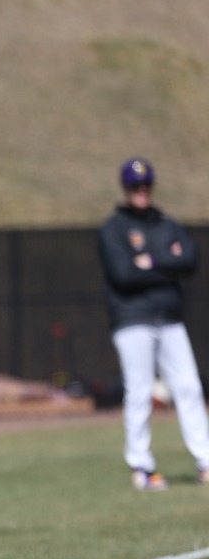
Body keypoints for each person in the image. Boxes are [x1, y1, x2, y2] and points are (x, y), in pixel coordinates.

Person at [99, 158, 209, 490]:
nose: (141, 191)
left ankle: (205, 460)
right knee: (140, 392)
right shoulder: (114, 228)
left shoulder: (166, 224)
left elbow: (189, 260)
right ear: (125, 189)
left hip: (170, 318)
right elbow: (124, 274)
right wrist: (167, 265)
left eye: (146, 185)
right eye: (135, 186)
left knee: (189, 388)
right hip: (133, 320)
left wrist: (154, 261)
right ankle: (142, 467)